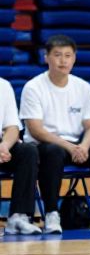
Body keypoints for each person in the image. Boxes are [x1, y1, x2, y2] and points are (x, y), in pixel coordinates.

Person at [21, 35, 90, 236]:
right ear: (46, 57)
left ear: (74, 58)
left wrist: (83, 146)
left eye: (68, 55)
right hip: (46, 144)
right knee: (53, 152)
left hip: (77, 145)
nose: (63, 60)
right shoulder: (33, 87)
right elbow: (35, 129)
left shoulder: (82, 87)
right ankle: (51, 213)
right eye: (57, 55)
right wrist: (69, 146)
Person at [0, 76, 41, 236]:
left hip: (2, 144)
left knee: (28, 151)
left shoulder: (3, 85)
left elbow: (12, 127)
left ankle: (19, 216)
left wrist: (4, 146)